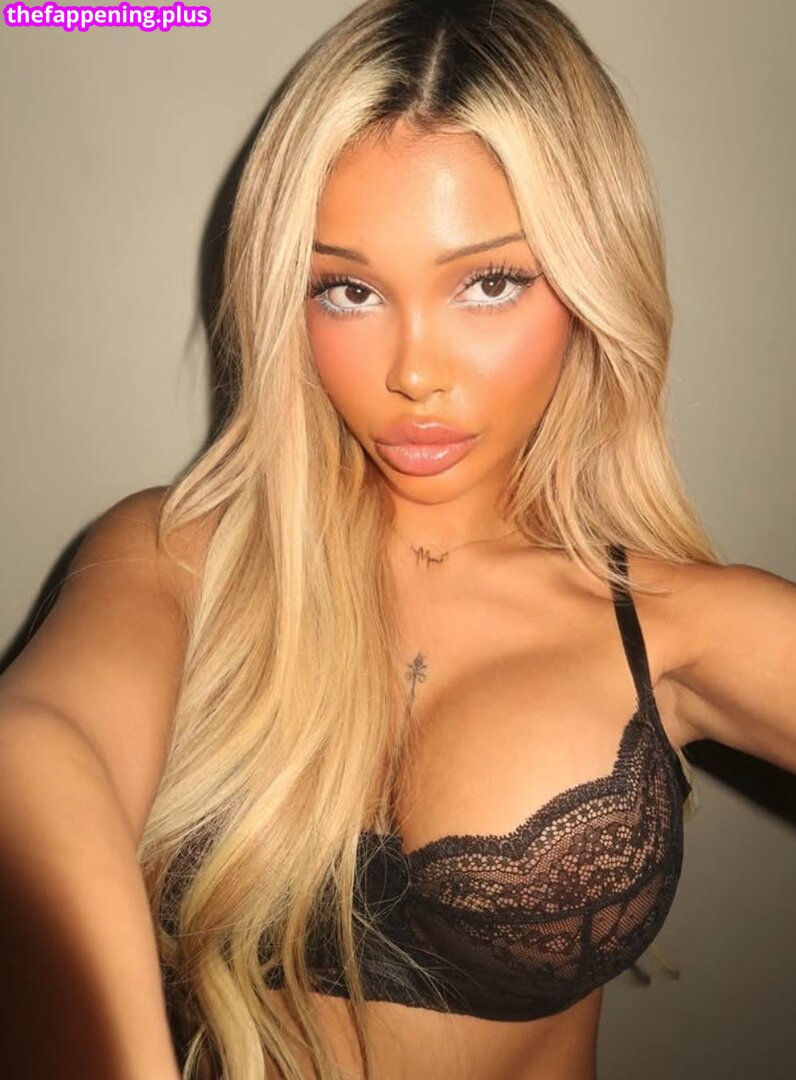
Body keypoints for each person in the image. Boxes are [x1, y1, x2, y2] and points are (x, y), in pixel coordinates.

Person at [1, 1, 794, 1079]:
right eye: (349, 289)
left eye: (489, 284)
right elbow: (43, 750)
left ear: (590, 284)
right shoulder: (179, 556)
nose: (414, 372)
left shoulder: (678, 627)